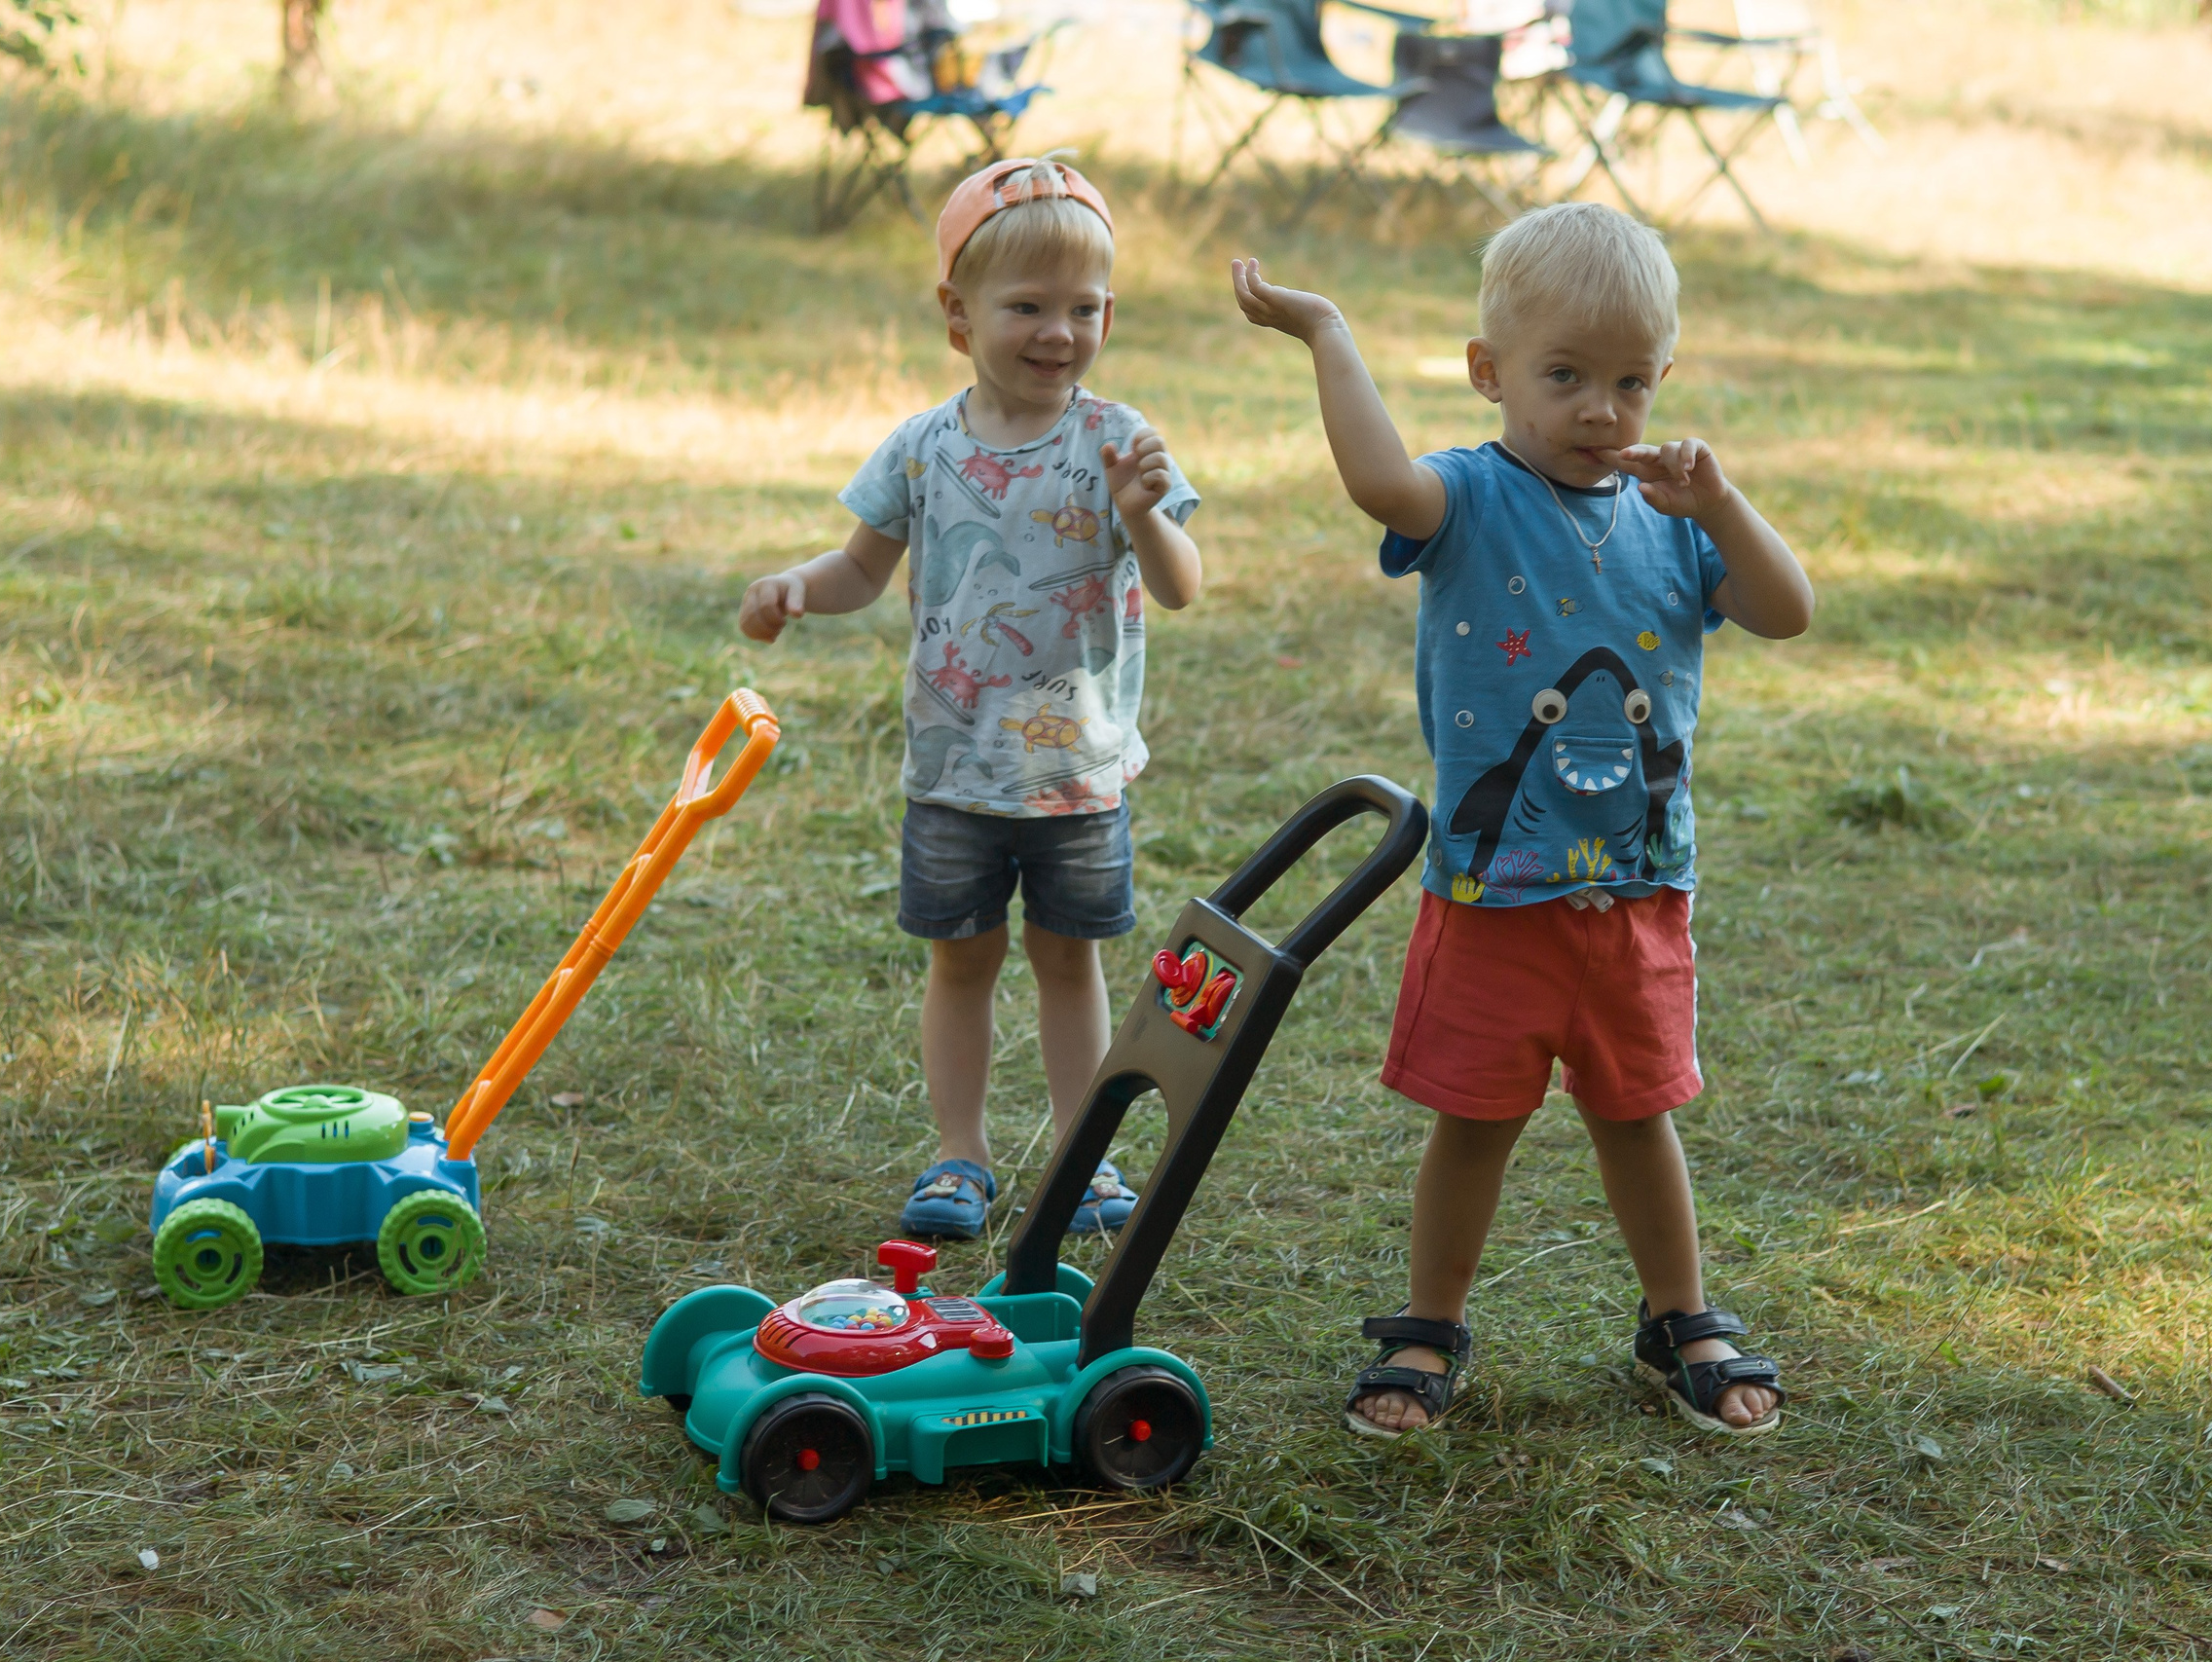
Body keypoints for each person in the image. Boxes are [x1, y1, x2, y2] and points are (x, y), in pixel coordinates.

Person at [1231, 203, 1810, 1437]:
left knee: (1636, 1114)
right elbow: (1374, 481)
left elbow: (1787, 609)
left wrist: (1724, 507)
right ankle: (1427, 1325)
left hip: (1636, 892)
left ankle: (1679, 1315)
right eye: (1564, 376)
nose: (1601, 411)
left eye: (1631, 382)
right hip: (1494, 896)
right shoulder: (1468, 498)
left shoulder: (1673, 516)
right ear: (1489, 374)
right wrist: (1328, 334)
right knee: (1475, 1120)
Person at [741, 158, 1202, 1238]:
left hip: (1074, 775)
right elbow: (862, 569)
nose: (1058, 332)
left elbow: (1180, 586)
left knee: (1065, 961)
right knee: (962, 962)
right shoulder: (923, 446)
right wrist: (799, 589)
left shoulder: (1117, 442)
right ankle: (958, 1157)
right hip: (951, 771)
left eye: (1082, 309)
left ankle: (1082, 1158)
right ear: (958, 315)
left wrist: (1143, 515)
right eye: (1027, 307)